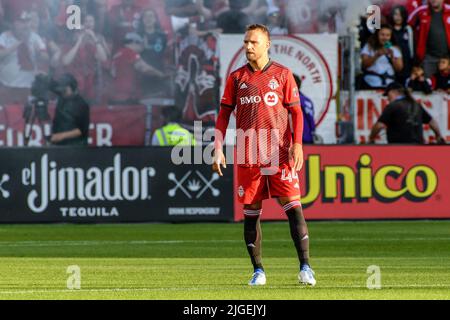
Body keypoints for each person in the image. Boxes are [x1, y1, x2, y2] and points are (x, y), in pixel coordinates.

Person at [212, 24, 316, 286]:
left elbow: (296, 112)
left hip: (279, 154)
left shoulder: (282, 74)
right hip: (249, 155)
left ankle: (306, 267)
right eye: (246, 42)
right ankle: (258, 270)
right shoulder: (236, 78)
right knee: (251, 211)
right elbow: (224, 115)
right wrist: (218, 148)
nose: (248, 46)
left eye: (253, 42)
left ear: (266, 44)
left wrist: (298, 144)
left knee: (294, 207)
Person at [368, 81, 445, 144]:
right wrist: (438, 136)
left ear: (393, 92)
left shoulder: (393, 106)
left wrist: (371, 138)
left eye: (388, 95)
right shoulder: (416, 105)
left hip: (398, 148)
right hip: (418, 147)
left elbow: (379, 125)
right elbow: (432, 122)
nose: (387, 98)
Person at [408, 0, 450, 77]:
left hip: (447, 57)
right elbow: (408, 26)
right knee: (427, 84)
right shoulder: (420, 11)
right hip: (428, 57)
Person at [51, 73, 90, 146]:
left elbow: (82, 130)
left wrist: (61, 136)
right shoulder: (61, 101)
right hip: (59, 145)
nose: (62, 93)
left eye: (65, 90)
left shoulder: (82, 104)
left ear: (73, 87)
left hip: (76, 146)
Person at [360, 24, 404, 89]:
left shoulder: (394, 49)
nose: (385, 38)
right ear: (377, 35)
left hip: (389, 85)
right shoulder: (369, 46)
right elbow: (364, 64)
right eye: (382, 35)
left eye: (387, 35)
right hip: (370, 84)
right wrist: (377, 55)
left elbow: (399, 69)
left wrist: (392, 58)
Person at [389, 5, 414, 85]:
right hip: (393, 64)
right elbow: (386, 45)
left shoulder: (408, 29)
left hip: (407, 65)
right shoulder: (389, 30)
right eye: (395, 14)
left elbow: (412, 47)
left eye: (400, 15)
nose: (398, 17)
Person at [293, 74, 315, 144]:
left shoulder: (304, 101)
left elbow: (311, 121)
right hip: (289, 140)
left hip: (303, 139)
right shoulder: (306, 100)